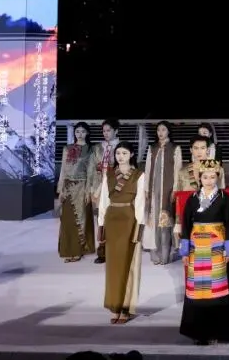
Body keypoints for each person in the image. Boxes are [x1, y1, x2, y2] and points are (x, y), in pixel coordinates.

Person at [178, 159, 229, 345]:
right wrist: (185, 251)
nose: (209, 181)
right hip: (196, 249)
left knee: (216, 291)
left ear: (217, 177)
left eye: (212, 177)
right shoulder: (193, 199)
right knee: (198, 290)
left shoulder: (224, 198)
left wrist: (228, 249)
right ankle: (198, 332)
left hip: (216, 249)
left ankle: (216, 331)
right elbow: (186, 226)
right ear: (199, 178)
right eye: (205, 177)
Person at [97, 141, 145, 325]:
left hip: (129, 219)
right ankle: (114, 306)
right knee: (113, 266)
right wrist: (101, 225)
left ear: (131, 154)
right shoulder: (109, 174)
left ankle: (126, 307)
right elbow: (103, 202)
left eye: (124, 153)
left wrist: (139, 227)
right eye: (118, 153)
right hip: (112, 219)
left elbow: (140, 202)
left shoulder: (139, 175)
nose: (121, 156)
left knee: (129, 265)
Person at [142, 120, 182, 265]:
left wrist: (175, 189)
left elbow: (178, 170)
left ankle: (166, 255)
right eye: (159, 130)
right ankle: (155, 253)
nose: (160, 133)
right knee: (153, 221)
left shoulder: (175, 148)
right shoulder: (152, 148)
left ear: (168, 131)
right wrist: (146, 189)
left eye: (163, 130)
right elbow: (147, 170)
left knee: (165, 221)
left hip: (168, 190)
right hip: (154, 190)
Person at [57, 121, 95, 262]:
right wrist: (60, 190)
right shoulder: (67, 148)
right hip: (67, 188)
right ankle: (68, 250)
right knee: (67, 220)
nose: (80, 134)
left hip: (81, 187)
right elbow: (63, 170)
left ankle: (78, 251)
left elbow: (91, 172)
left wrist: (88, 191)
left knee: (80, 219)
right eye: (77, 131)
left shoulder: (90, 149)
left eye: (83, 131)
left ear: (87, 133)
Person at [88, 119, 121, 264]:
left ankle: (116, 250)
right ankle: (102, 251)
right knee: (101, 218)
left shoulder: (121, 146)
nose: (106, 133)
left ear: (116, 131)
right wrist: (92, 189)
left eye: (109, 130)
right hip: (100, 187)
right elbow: (91, 169)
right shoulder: (98, 148)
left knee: (115, 218)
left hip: (116, 187)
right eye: (104, 131)